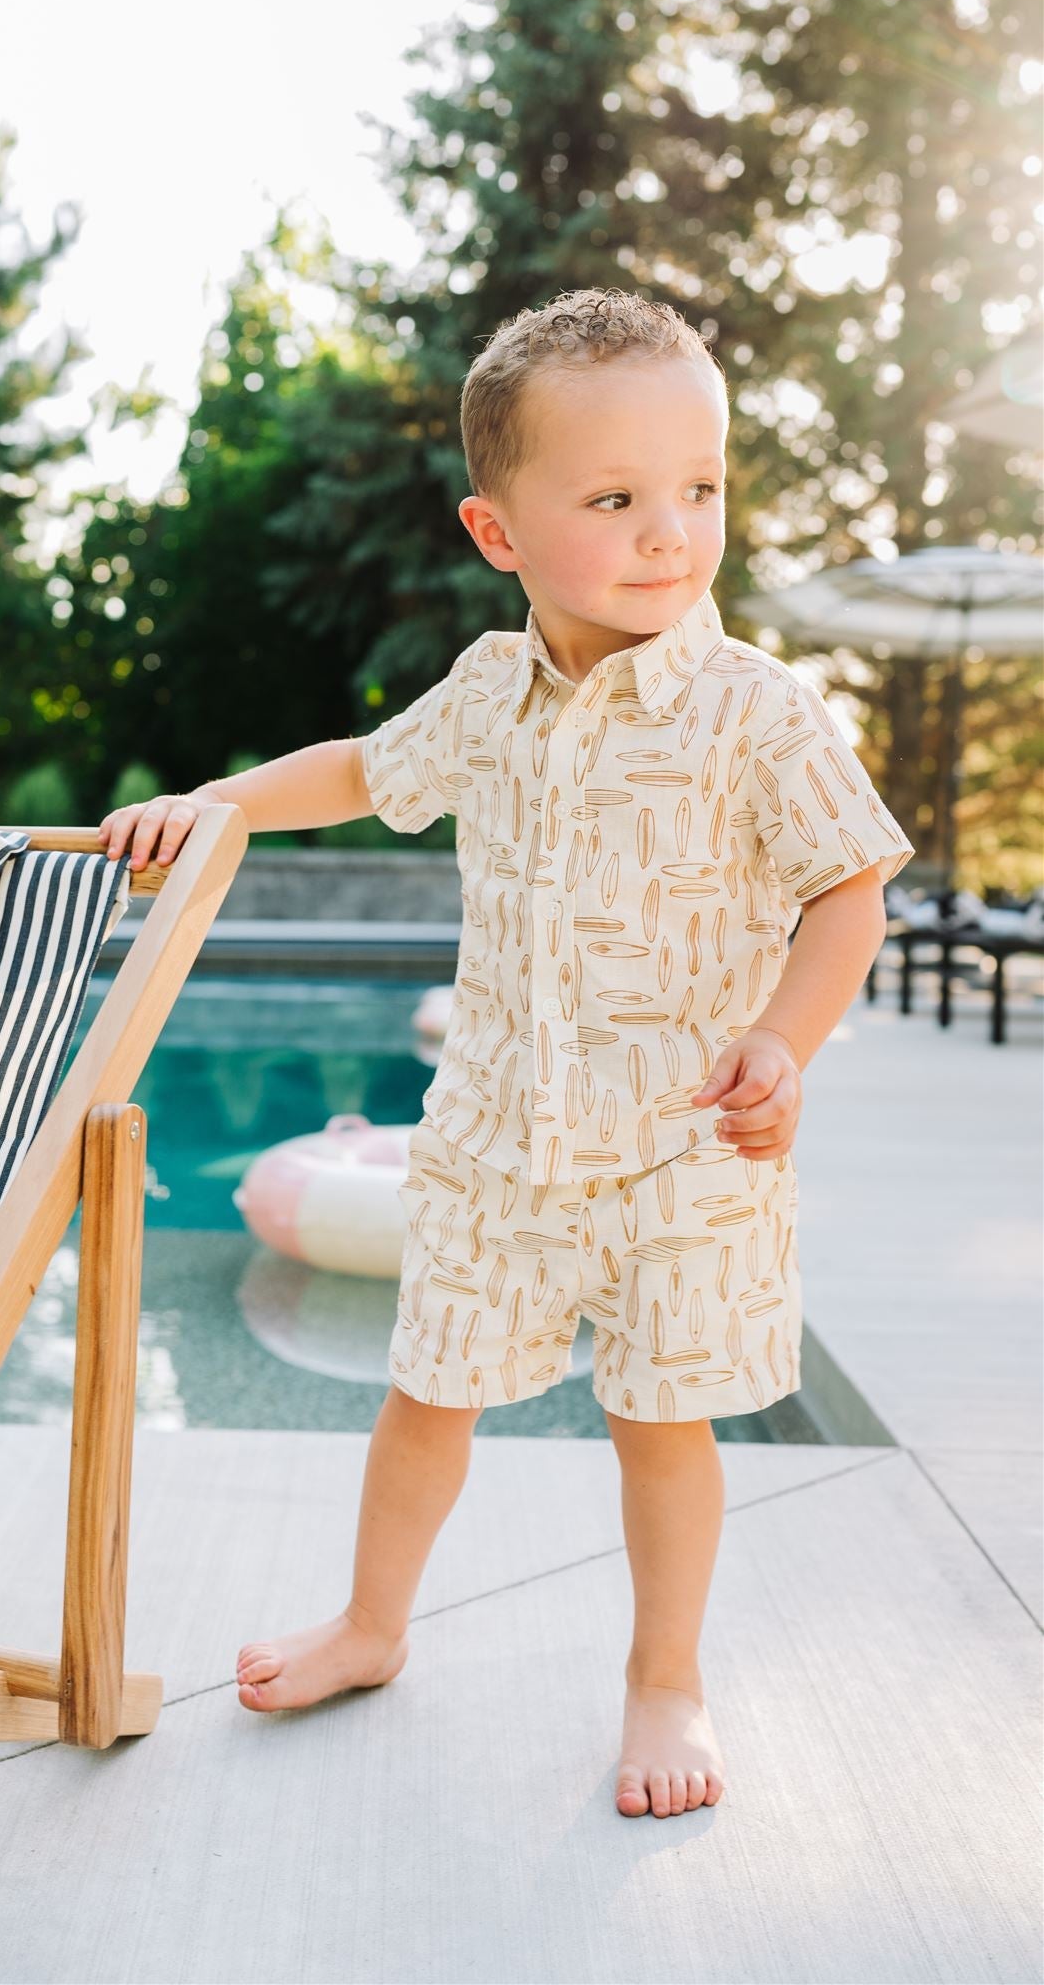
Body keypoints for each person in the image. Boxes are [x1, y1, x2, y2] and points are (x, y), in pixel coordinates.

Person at [97, 286, 916, 1820]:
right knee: (426, 1396)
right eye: (614, 498)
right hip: (489, 1144)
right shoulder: (484, 695)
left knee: (657, 1427)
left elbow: (847, 891)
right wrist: (216, 801)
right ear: (501, 533)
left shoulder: (755, 711)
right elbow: (359, 767)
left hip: (683, 1151)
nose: (669, 531)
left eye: (698, 489)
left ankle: (665, 1677)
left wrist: (782, 1043)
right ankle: (372, 1625)